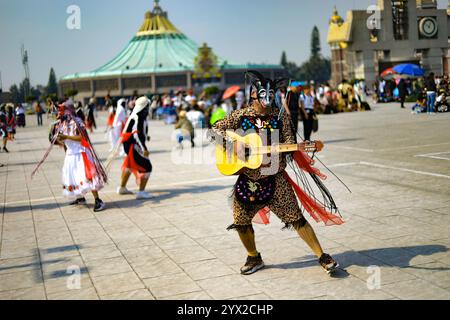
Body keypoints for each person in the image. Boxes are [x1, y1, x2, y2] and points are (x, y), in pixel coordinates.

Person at [211, 71, 343, 276]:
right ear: (253, 94)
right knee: (240, 220)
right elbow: (214, 130)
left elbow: (290, 145)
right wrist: (233, 143)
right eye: (262, 93)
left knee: (296, 217)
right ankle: (253, 256)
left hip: (275, 178)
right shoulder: (241, 115)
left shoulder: (280, 118)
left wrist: (292, 147)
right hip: (248, 178)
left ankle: (321, 255)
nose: (266, 99)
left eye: (270, 94)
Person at [32, 100, 107, 212]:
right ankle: (80, 198)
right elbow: (64, 141)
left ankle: (98, 201)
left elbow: (82, 138)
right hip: (70, 154)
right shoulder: (61, 123)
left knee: (86, 177)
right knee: (73, 177)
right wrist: (58, 139)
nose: (59, 113)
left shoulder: (77, 121)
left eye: (61, 111)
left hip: (80, 153)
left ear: (68, 110)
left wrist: (66, 137)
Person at [117, 96, 153, 200]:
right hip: (134, 146)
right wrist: (144, 148)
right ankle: (141, 192)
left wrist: (146, 136)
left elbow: (139, 132)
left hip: (129, 146)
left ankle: (122, 188)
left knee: (128, 166)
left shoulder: (135, 115)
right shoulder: (139, 117)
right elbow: (136, 134)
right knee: (147, 167)